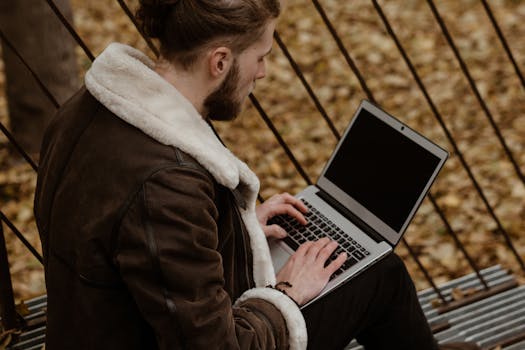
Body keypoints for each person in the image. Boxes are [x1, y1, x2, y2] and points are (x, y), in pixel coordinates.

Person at [34, 1, 480, 349]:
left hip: (97, 332)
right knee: (381, 275)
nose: (263, 72)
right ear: (221, 61)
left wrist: (236, 229)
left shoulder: (83, 111)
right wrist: (287, 292)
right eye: (261, 56)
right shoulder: (166, 187)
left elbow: (130, 248)